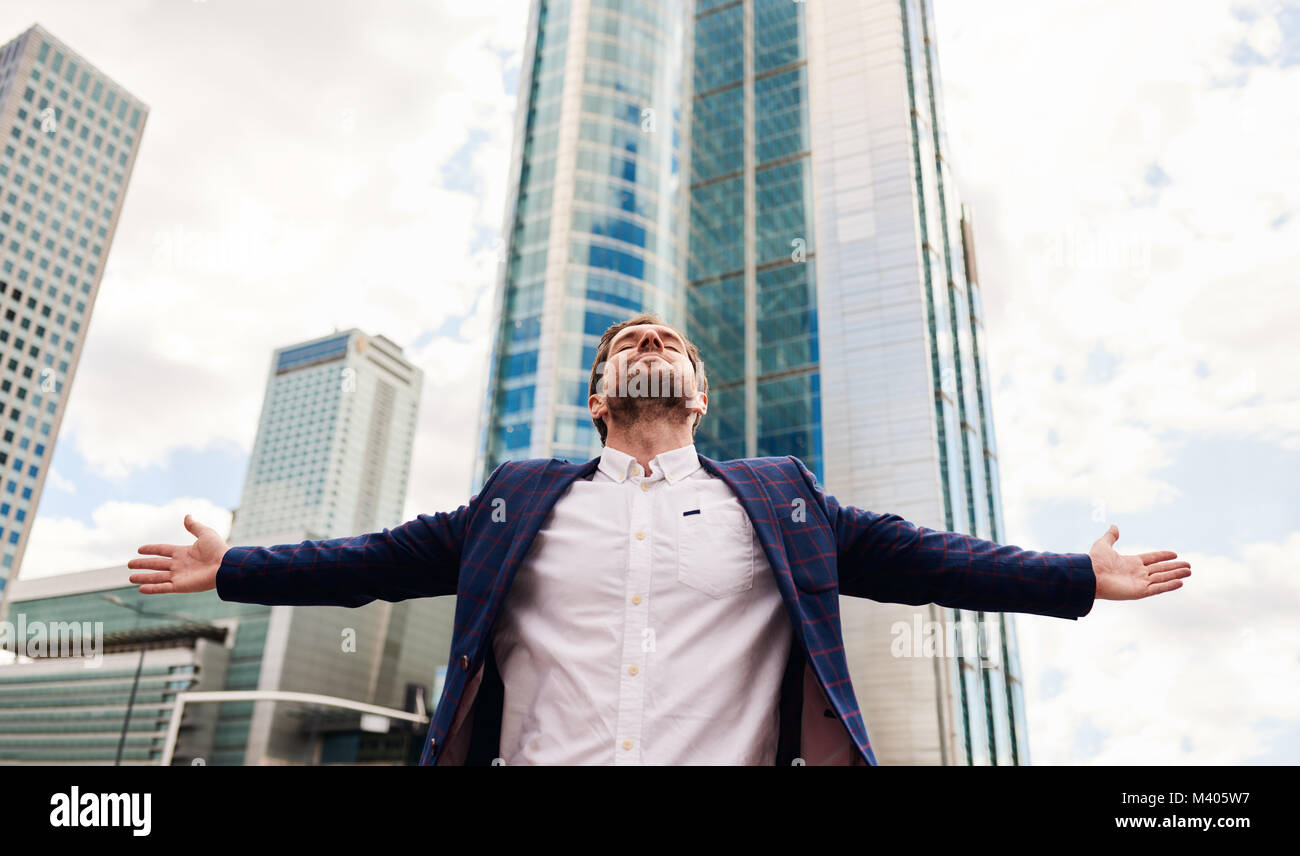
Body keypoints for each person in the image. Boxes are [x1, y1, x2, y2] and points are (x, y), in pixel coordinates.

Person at [128, 312, 1191, 765]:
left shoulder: (779, 499)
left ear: (700, 394)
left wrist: (1074, 576)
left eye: (668, 343)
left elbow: (922, 555)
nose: (648, 344)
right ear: (598, 396)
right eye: (626, 344)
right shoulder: (518, 497)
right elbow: (376, 561)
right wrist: (232, 567)